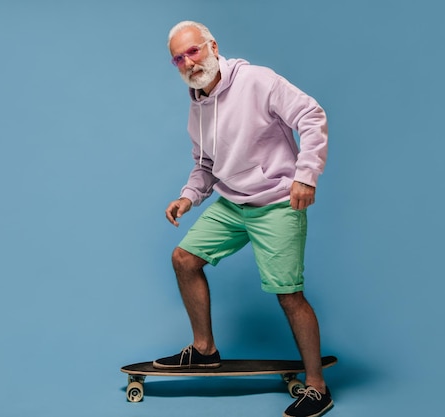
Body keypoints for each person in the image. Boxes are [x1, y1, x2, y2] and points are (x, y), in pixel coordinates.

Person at [154, 20, 332, 417]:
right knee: (184, 259)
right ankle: (204, 350)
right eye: (178, 58)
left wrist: (305, 175)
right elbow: (205, 165)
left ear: (213, 46)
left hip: (276, 203)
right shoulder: (197, 104)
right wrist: (187, 197)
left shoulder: (257, 81)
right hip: (233, 205)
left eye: (193, 51)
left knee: (289, 295)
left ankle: (317, 387)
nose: (188, 62)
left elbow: (312, 116)